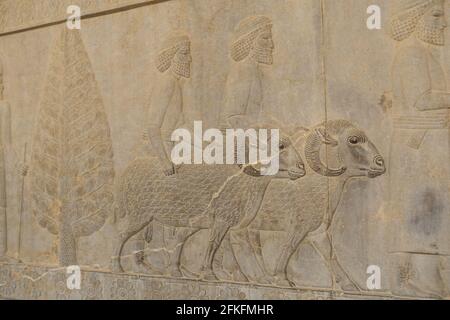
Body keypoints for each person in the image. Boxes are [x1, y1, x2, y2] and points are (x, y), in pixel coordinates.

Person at [386, 0, 450, 297]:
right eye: (437, 15)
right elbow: (421, 99)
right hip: (419, 145)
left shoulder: (420, 51)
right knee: (424, 212)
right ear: (417, 18)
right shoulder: (412, 52)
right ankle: (421, 281)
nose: (444, 23)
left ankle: (420, 279)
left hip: (425, 142)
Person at [147, 34, 192, 176]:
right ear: (171, 57)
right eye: (185, 53)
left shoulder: (175, 83)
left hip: (175, 152)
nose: (190, 59)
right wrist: (165, 162)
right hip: (168, 155)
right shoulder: (167, 83)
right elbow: (152, 127)